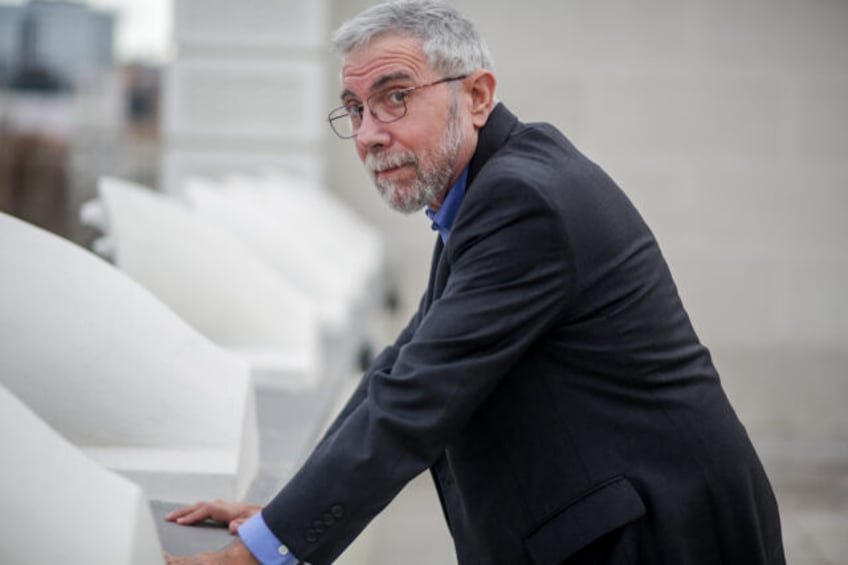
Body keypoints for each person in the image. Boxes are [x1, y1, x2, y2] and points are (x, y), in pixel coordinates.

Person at [165, 1, 785, 563]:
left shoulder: (524, 201)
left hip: (666, 537)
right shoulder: (493, 187)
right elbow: (401, 364)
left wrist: (264, 553)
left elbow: (414, 401)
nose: (369, 134)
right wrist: (282, 519)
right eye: (355, 109)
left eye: (395, 97)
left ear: (478, 96)